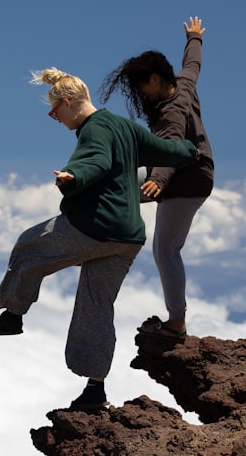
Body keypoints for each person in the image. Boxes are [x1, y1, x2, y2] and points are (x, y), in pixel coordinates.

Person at [0, 67, 198, 411]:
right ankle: (95, 390)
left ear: (67, 102)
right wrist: (189, 149)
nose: (54, 118)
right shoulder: (125, 127)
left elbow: (96, 160)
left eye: (54, 111)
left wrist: (73, 177)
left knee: (29, 244)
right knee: (96, 307)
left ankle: (13, 316)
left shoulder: (92, 130)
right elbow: (165, 150)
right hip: (127, 238)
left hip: (94, 227)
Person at [98, 17, 214, 343]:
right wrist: (195, 38)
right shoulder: (182, 83)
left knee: (165, 249)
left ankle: (176, 323)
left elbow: (174, 144)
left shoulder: (170, 111)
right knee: (113, 186)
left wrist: (160, 181)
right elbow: (192, 64)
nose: (139, 93)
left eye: (141, 87)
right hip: (184, 172)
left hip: (187, 181)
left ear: (154, 79)